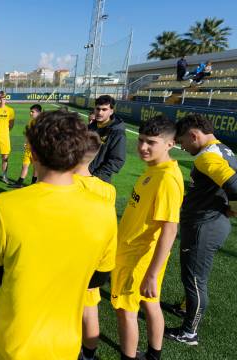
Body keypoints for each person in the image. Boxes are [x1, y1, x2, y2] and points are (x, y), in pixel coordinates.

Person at [0, 110, 117, 359]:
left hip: (13, 338)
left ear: (32, 152)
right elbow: (97, 279)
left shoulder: (5, 204)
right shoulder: (104, 210)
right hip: (65, 342)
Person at [111, 115, 184, 360]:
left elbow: (170, 229)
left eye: (151, 142)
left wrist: (152, 273)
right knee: (150, 303)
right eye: (141, 140)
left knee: (125, 312)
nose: (143, 147)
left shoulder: (166, 179)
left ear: (169, 144)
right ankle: (153, 355)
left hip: (138, 257)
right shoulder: (155, 169)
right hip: (137, 254)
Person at [165, 114, 237, 346]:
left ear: (194, 135)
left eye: (183, 141)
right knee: (194, 277)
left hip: (204, 226)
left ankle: (189, 333)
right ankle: (186, 308)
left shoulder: (207, 158)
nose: (182, 147)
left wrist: (234, 209)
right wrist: (229, 209)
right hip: (210, 221)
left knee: (195, 280)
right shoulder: (225, 150)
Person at [74, 132, 117, 360]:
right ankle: (89, 355)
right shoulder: (108, 190)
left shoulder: (65, 184)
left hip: (68, 256)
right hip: (94, 256)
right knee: (90, 308)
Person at [88, 95, 126, 183]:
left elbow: (117, 160)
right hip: (82, 176)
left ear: (111, 111)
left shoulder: (117, 132)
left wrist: (96, 177)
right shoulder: (89, 127)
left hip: (98, 180)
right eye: (98, 109)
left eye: (104, 109)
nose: (100, 112)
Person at [10, 104, 41, 188]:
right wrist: (26, 142)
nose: (30, 113)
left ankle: (33, 183)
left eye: (32, 112)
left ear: (38, 112)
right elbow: (28, 134)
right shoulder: (30, 121)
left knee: (35, 167)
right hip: (28, 148)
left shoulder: (41, 123)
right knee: (25, 165)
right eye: (30, 111)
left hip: (36, 149)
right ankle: (19, 183)